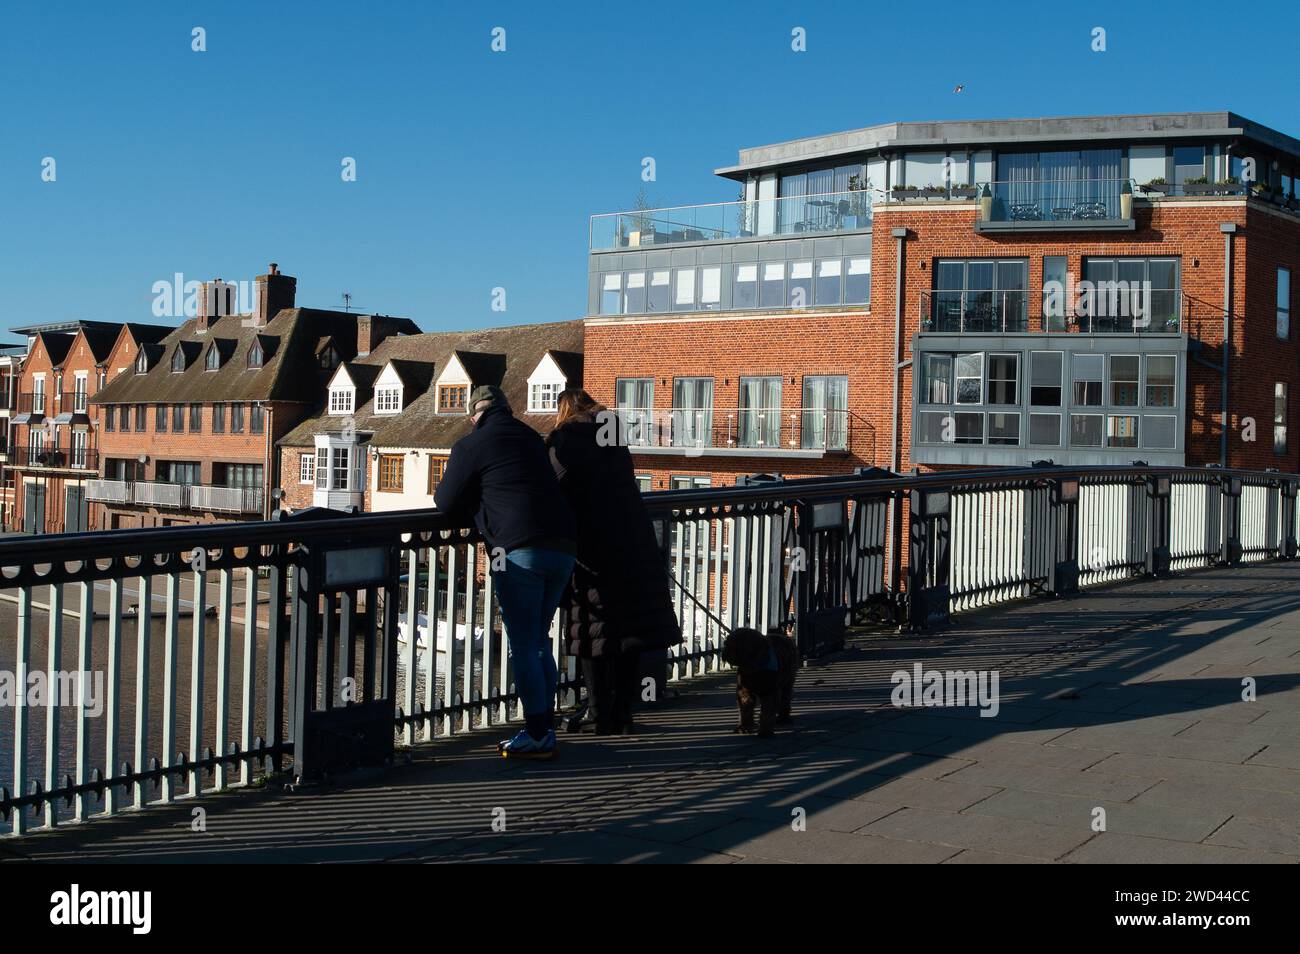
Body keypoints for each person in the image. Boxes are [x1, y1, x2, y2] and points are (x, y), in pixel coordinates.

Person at [434, 384, 576, 759]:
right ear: (506, 409)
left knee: (525, 643)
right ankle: (545, 725)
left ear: (474, 415)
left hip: (519, 551)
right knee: (540, 639)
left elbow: (445, 501)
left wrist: (475, 507)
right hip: (562, 547)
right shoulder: (532, 438)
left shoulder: (472, 444)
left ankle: (538, 732)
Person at [546, 389, 681, 734]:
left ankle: (598, 711)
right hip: (634, 539)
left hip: (594, 545)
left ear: (564, 411)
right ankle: (623, 710)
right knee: (628, 630)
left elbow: (553, 485)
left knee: (593, 629)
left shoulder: (566, 438)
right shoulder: (613, 434)